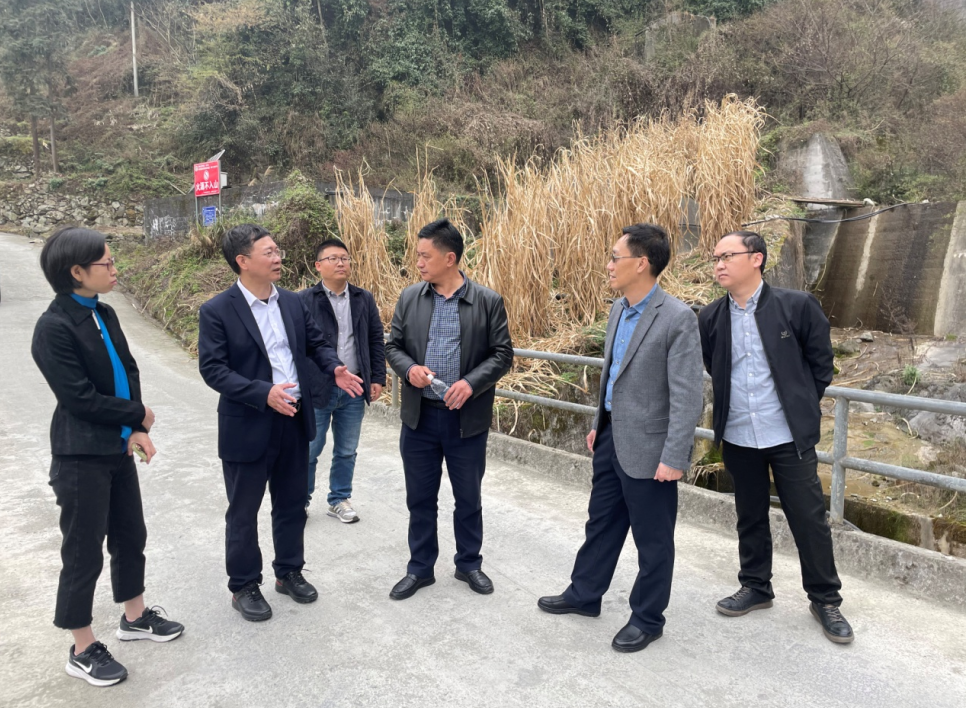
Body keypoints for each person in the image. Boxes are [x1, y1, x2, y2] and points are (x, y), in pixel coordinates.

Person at [538, 223, 704, 653]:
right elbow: (615, 375)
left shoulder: (677, 318)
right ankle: (584, 594)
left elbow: (688, 396)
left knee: (653, 539)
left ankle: (648, 618)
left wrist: (675, 456)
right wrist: (601, 421)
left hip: (652, 448)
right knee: (602, 522)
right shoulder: (618, 309)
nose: (609, 265)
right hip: (612, 437)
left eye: (616, 257)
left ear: (642, 263)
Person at [32, 227, 184, 687]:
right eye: (107, 263)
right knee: (83, 553)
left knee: (129, 534)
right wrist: (137, 413)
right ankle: (81, 647)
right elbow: (79, 399)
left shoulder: (104, 311)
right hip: (80, 455)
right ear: (77, 272)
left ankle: (134, 617)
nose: (115, 269)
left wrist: (136, 428)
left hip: (117, 447)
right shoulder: (53, 327)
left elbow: (128, 371)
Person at [198, 224, 363, 622]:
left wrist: (334, 367)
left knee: (291, 503)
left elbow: (315, 343)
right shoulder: (217, 310)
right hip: (248, 423)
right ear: (243, 261)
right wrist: (262, 392)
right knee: (243, 510)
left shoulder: (291, 302)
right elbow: (213, 369)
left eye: (277, 251)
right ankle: (243, 585)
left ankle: (288, 572)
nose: (278, 258)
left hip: (293, 418)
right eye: (269, 252)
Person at [698, 230, 853, 644]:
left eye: (728, 256)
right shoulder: (710, 317)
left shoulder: (796, 305)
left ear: (757, 259)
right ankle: (756, 586)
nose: (719, 264)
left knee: (808, 518)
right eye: (716, 258)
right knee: (749, 514)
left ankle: (825, 599)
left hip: (787, 436)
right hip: (738, 434)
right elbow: (714, 366)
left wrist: (799, 404)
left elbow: (821, 365)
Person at [384, 218, 513, 600]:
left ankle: (468, 564)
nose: (419, 263)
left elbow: (502, 354)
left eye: (425, 256)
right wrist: (410, 369)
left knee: (468, 498)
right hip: (420, 417)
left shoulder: (487, 301)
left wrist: (471, 383)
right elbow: (393, 346)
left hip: (465, 419)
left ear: (450, 258)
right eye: (418, 255)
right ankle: (420, 569)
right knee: (420, 498)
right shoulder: (410, 297)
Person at [298, 238, 386, 523]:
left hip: (354, 387)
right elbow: (298, 346)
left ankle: (339, 499)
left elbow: (375, 339)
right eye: (333, 258)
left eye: (345, 258)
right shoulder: (304, 300)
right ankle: (300, 500)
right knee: (310, 448)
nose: (340, 263)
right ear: (318, 265)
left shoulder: (363, 298)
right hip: (317, 387)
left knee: (347, 450)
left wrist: (377, 377)